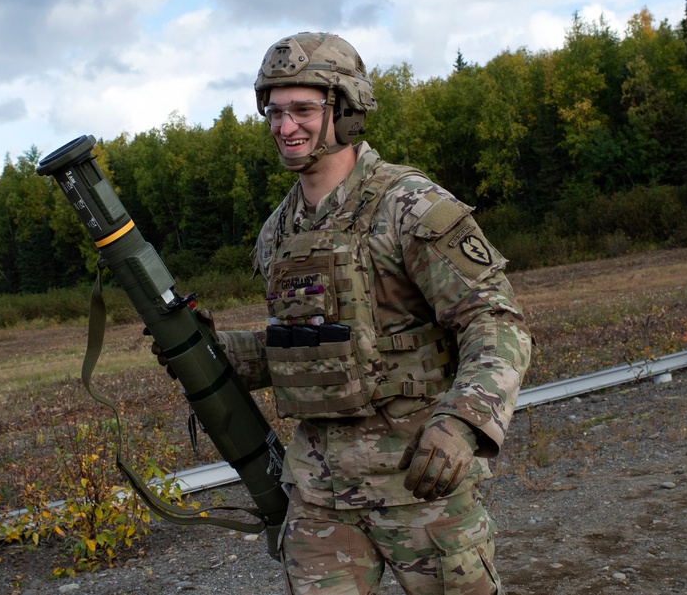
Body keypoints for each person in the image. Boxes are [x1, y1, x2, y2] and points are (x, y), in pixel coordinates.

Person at [160, 32, 531, 594]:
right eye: (275, 111)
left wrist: (462, 422)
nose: (286, 127)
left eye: (304, 109)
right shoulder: (277, 232)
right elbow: (314, 345)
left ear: (348, 111)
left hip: (418, 483)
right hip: (320, 491)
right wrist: (216, 352)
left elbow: (495, 321)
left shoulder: (409, 206)